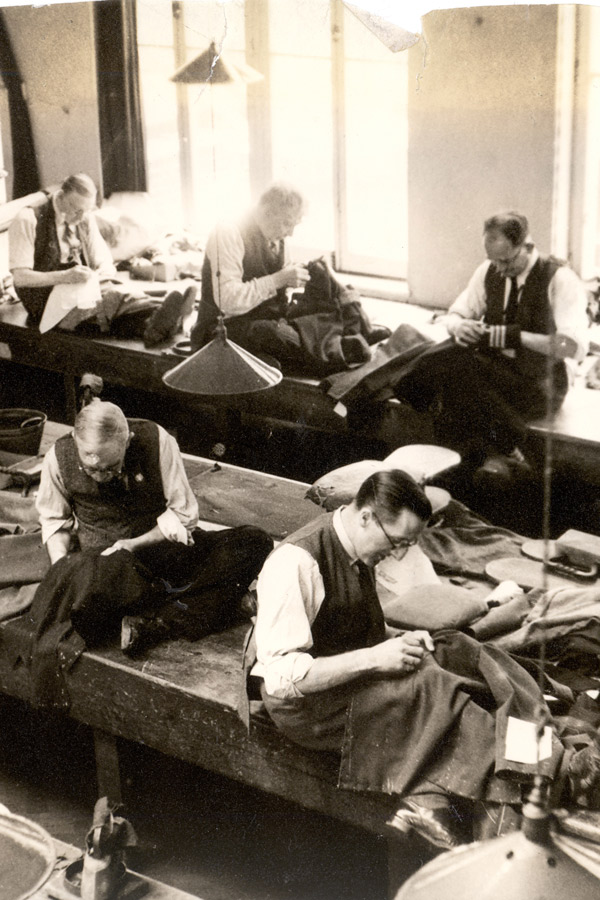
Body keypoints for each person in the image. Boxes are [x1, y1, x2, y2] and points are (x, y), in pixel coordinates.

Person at [244, 469, 567, 850]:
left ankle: (532, 738)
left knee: (455, 649)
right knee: (434, 688)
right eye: (396, 542)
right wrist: (375, 658)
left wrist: (397, 639)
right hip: (307, 706)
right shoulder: (297, 562)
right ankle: (544, 769)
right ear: (365, 516)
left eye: (407, 545)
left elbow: (349, 626)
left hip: (345, 674)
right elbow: (282, 677)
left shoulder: (358, 543)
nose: (398, 554)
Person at [35, 399, 273, 655]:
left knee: (254, 541)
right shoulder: (58, 456)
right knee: (88, 610)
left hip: (160, 550)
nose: (100, 476)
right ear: (75, 441)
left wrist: (133, 544)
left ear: (126, 442)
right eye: (90, 468)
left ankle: (158, 620)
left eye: (111, 468)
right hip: (108, 566)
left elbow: (184, 514)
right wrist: (64, 571)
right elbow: (54, 520)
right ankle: (183, 613)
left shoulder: (157, 441)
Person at [395, 211, 589, 475]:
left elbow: (573, 347)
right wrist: (460, 325)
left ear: (528, 247)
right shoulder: (491, 270)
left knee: (454, 374)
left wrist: (514, 336)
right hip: (499, 377)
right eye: (493, 260)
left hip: (541, 383)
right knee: (457, 366)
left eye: (506, 261)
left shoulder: (559, 279)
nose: (499, 268)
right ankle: (503, 454)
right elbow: (454, 314)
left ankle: (494, 454)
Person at [9, 172, 194, 344]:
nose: (81, 216)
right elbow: (21, 278)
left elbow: (104, 261)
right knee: (110, 301)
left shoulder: (84, 217)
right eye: (76, 209)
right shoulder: (28, 218)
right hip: (44, 300)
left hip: (77, 289)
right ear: (61, 195)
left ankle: (158, 319)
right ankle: (161, 318)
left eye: (86, 210)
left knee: (117, 293)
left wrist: (99, 276)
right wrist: (65, 277)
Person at [190, 182, 310, 356]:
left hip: (265, 319)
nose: (290, 233)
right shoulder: (228, 231)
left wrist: (298, 276)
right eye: (287, 224)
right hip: (221, 328)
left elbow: (279, 280)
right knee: (283, 338)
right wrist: (279, 279)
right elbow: (228, 300)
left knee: (318, 321)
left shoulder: (277, 235)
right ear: (266, 212)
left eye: (293, 225)